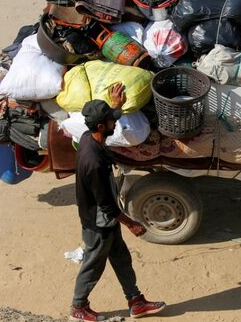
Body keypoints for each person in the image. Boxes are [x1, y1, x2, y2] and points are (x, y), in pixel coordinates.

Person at [69, 83, 166, 321]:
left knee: (122, 258)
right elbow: (107, 207)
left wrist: (116, 107)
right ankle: (78, 307)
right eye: (112, 121)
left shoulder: (88, 136)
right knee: (93, 263)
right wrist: (131, 223)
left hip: (107, 219)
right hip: (99, 222)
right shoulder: (94, 161)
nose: (116, 124)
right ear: (101, 126)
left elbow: (108, 205)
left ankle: (135, 301)